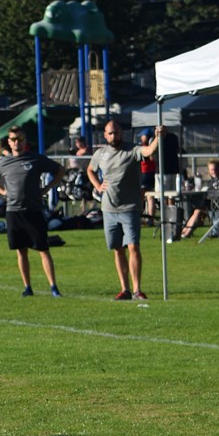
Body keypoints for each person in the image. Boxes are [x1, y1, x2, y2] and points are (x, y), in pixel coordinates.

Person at [0, 125, 64, 297]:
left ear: (25, 141)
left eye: (20, 139)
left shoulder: (35, 159)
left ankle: (53, 287)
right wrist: (3, 192)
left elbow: (60, 170)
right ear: (9, 142)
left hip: (34, 211)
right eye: (14, 139)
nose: (17, 143)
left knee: (43, 249)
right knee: (21, 250)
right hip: (14, 212)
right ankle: (27, 287)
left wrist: (47, 189)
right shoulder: (4, 162)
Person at [87, 119, 160, 300]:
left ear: (122, 133)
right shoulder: (100, 154)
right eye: (110, 133)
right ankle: (125, 289)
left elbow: (149, 151)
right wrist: (97, 185)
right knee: (118, 249)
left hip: (130, 208)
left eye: (117, 132)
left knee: (133, 246)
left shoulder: (132, 150)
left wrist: (157, 137)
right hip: (109, 209)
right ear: (105, 135)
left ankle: (137, 290)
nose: (114, 136)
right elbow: (90, 170)